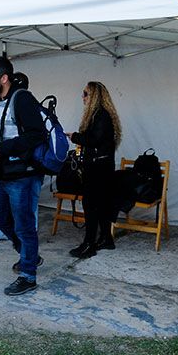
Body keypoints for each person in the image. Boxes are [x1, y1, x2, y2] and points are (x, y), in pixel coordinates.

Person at [0, 56, 45, 296]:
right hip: (3, 173)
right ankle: (30, 255)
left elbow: (36, 135)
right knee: (2, 220)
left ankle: (28, 275)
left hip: (22, 174)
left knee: (25, 225)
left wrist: (3, 149)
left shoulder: (23, 99)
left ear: (4, 78)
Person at [66, 81, 122, 258]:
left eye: (85, 93)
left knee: (91, 205)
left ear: (94, 96)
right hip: (102, 165)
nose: (82, 97)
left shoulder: (100, 115)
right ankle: (106, 238)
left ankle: (89, 244)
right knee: (102, 204)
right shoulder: (101, 115)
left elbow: (94, 139)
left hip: (98, 167)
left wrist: (75, 136)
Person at [0, 71, 29, 243]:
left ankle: (28, 261)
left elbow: (32, 136)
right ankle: (20, 245)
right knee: (0, 216)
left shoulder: (23, 102)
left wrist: (3, 148)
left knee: (24, 220)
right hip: (1, 169)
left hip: (19, 168)